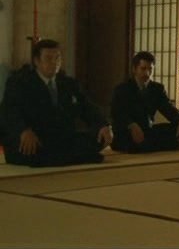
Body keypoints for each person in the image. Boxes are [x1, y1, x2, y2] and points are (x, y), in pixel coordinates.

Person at [1, 39, 112, 167]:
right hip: (34, 136)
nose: (54, 62)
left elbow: (87, 107)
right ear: (37, 61)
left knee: (98, 137)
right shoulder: (19, 83)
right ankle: (76, 156)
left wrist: (103, 125)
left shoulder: (68, 83)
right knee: (32, 149)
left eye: (58, 58)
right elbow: (9, 111)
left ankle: (65, 156)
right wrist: (23, 131)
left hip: (59, 138)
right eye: (49, 58)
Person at [110, 51, 179, 153]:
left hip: (146, 130)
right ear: (134, 69)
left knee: (175, 130)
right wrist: (131, 125)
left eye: (150, 69)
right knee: (128, 140)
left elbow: (168, 108)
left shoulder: (157, 89)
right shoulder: (123, 89)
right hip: (127, 130)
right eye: (143, 69)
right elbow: (117, 113)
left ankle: (146, 145)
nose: (147, 73)